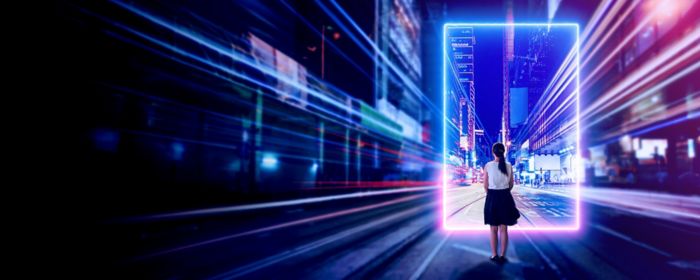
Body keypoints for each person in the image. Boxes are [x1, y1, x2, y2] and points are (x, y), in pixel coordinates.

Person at [483, 143, 520, 263]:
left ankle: (494, 255)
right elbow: (511, 184)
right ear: (503, 152)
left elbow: (485, 185)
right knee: (504, 229)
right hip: (505, 197)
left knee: (493, 229)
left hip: (492, 197)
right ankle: (503, 255)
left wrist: (492, 194)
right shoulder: (509, 166)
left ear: (493, 152)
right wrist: (504, 191)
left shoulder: (488, 165)